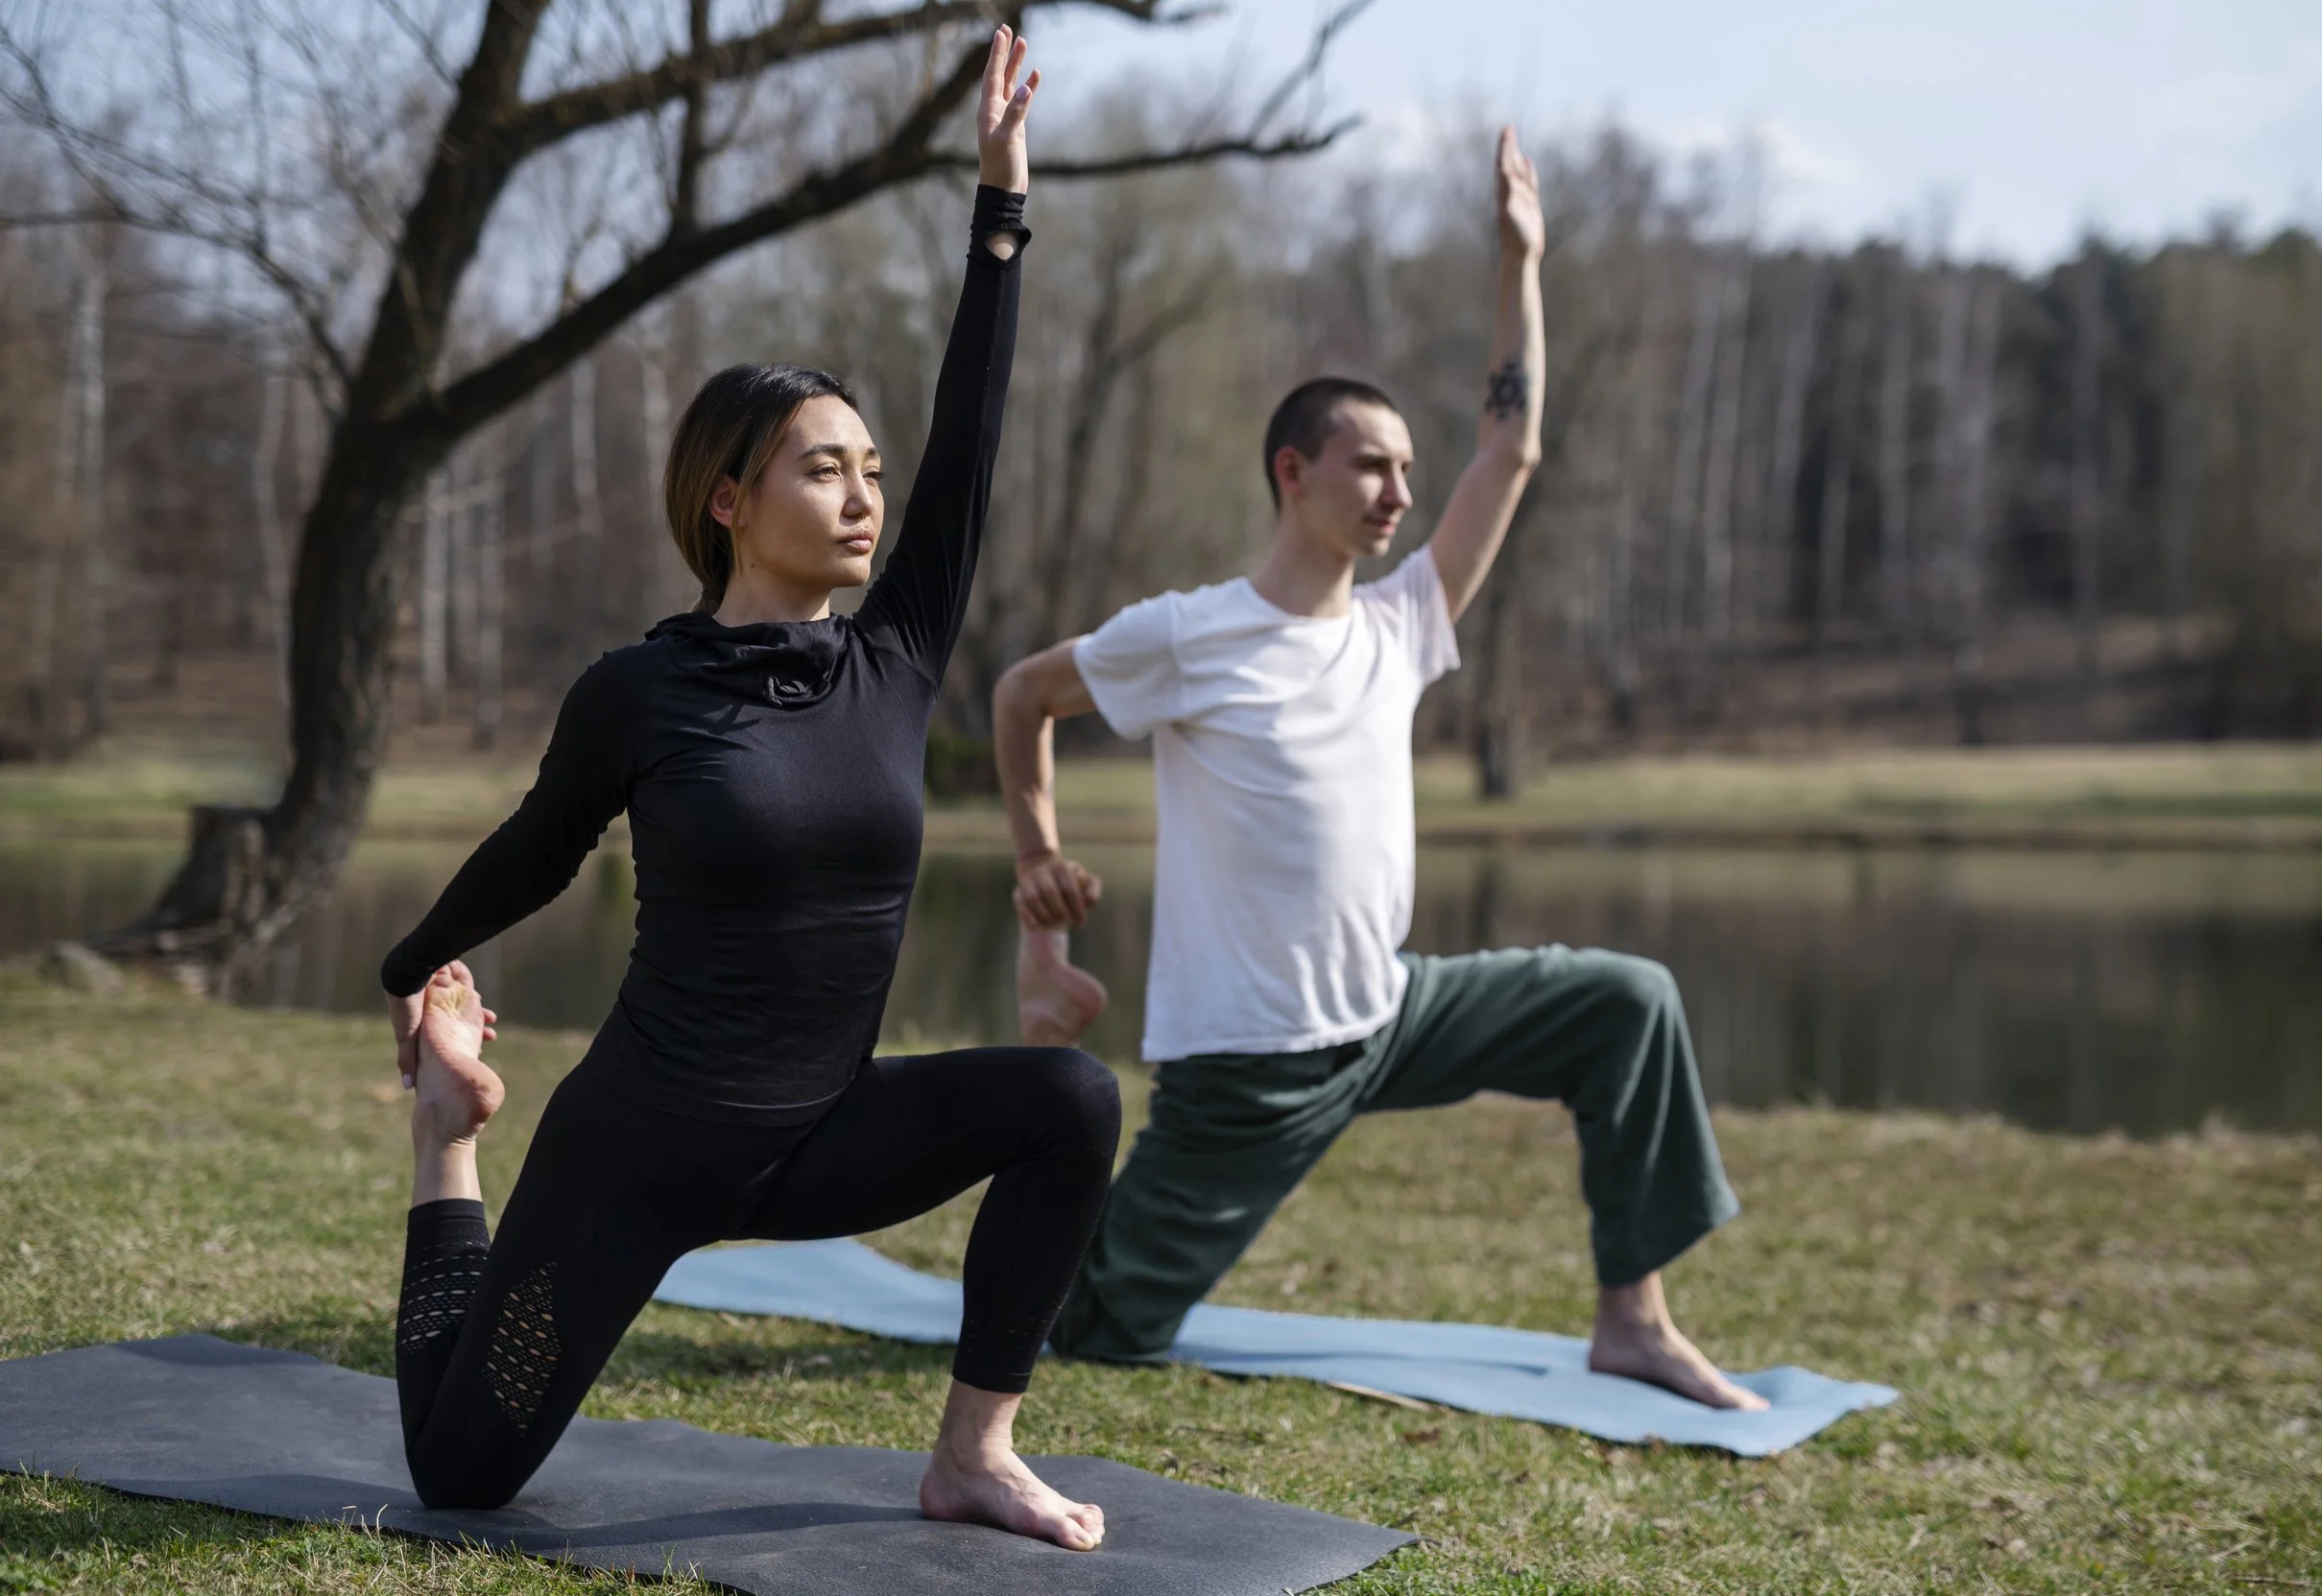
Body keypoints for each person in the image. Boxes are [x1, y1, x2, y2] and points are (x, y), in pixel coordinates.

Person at [378, 31, 1122, 1548]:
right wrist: (412, 975)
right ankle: (449, 1133)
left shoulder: (896, 657)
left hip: (821, 1130)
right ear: (730, 500)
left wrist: (1000, 209)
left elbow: (973, 440)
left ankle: (976, 1451)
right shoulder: (639, 692)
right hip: (636, 1149)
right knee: (459, 1476)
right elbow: (539, 849)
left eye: (868, 469)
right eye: (821, 469)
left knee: (1069, 1099)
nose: (863, 496)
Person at [992, 128, 1766, 1413]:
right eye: (1373, 464)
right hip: (1251, 1060)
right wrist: (1034, 861)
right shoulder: (1192, 634)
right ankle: (1034, 1178)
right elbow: (1026, 693)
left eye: (1409, 468)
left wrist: (1522, 262)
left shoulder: (1404, 621)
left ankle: (1634, 1317)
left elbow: (1507, 452)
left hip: (1393, 1010)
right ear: (1294, 474)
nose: (1401, 490)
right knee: (1097, 1330)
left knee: (1627, 1000)